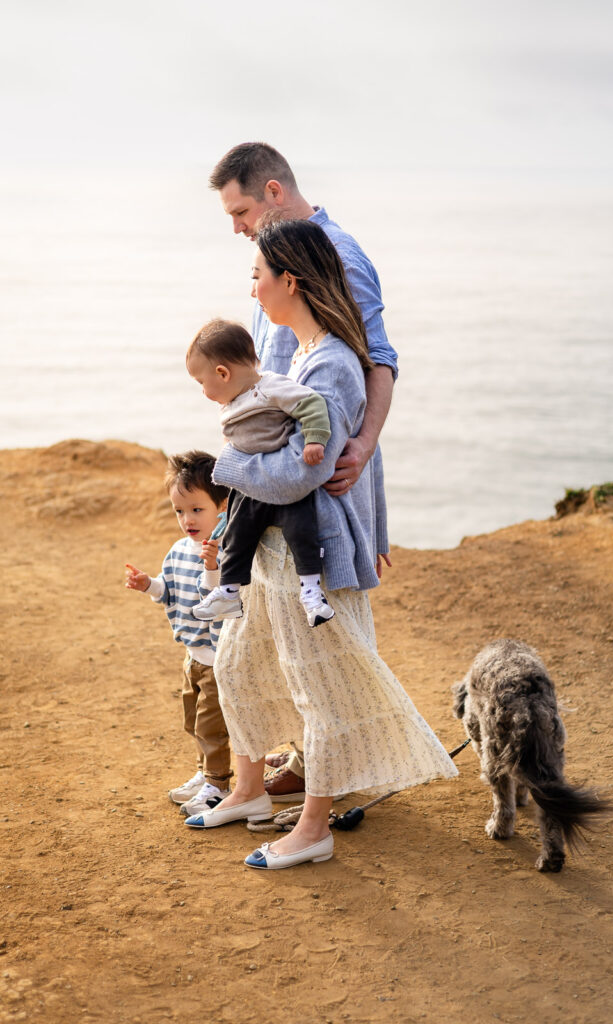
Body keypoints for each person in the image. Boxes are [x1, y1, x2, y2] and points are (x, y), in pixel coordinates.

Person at [183, 219, 458, 870]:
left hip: (311, 553)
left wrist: (225, 468)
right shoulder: (297, 354)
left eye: (257, 275)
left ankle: (313, 828)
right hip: (270, 552)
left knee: (319, 695)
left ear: (290, 281)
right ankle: (249, 791)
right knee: (236, 665)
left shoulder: (332, 363)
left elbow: (300, 473)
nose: (250, 289)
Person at [209, 141, 398, 799]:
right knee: (285, 636)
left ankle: (350, 777)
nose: (235, 227)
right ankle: (310, 763)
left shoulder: (337, 257)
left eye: (239, 211)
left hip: (321, 465)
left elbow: (375, 358)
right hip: (285, 467)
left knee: (333, 638)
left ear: (271, 191)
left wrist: (364, 445)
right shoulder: (278, 261)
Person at [186, 317, 336, 628]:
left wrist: (314, 439)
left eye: (202, 383)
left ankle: (311, 592)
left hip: (279, 479)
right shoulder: (232, 401)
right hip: (252, 486)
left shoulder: (270, 386)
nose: (203, 392)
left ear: (223, 373)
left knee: (302, 531)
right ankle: (228, 591)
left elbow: (312, 404)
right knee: (237, 535)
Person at [124, 451, 234, 817]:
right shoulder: (177, 551)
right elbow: (168, 592)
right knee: (192, 720)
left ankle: (218, 784)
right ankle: (204, 774)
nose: (187, 519)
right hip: (193, 654)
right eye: (179, 511)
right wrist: (147, 585)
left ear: (222, 505)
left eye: (197, 510)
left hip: (220, 659)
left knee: (212, 726)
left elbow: (218, 598)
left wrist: (212, 566)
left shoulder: (223, 551)